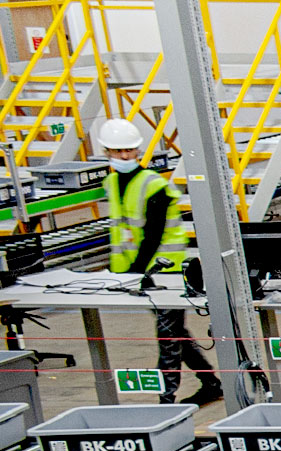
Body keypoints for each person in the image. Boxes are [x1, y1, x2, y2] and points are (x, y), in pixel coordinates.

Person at [96, 117, 223, 407]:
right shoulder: (111, 183)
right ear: (106, 151)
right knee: (175, 333)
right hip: (141, 275)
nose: (125, 156)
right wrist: (119, 273)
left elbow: (152, 236)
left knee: (168, 337)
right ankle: (211, 383)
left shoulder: (154, 185)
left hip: (168, 272)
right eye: (118, 151)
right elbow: (122, 231)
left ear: (138, 150)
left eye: (129, 150)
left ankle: (167, 402)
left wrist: (135, 272)